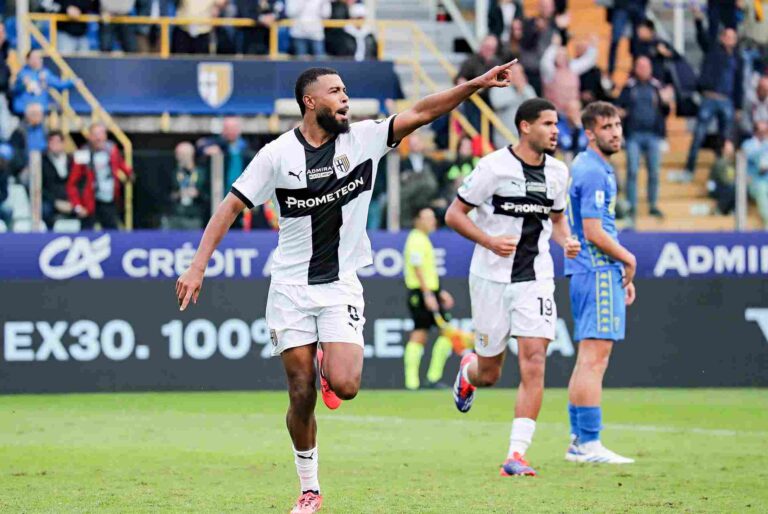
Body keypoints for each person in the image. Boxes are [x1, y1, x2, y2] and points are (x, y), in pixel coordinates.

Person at [174, 62, 518, 513]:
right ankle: (309, 488)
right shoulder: (277, 155)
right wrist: (198, 266)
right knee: (301, 392)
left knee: (347, 385)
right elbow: (229, 208)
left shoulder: (364, 139)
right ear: (309, 101)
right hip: (292, 288)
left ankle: (326, 360)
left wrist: (474, 85)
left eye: (345, 91)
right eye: (335, 91)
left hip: (340, 285)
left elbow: (421, 112)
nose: (345, 98)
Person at [445, 98, 581, 477]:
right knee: (490, 373)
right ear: (525, 126)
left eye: (557, 124)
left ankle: (516, 455)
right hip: (490, 277)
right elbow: (454, 214)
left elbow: (556, 220)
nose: (555, 131)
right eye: (548, 124)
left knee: (535, 358)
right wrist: (489, 241)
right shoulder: (493, 167)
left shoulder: (557, 172)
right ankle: (469, 369)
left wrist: (566, 241)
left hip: (535, 277)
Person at [564, 101, 637, 464]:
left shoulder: (587, 165)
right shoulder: (593, 170)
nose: (616, 133)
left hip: (586, 270)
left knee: (586, 359)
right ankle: (589, 443)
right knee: (595, 359)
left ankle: (579, 441)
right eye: (607, 127)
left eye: (618, 125)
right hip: (596, 268)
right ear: (590, 132)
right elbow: (593, 230)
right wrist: (627, 258)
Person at [674, 26, 743, 183]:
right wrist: (698, 20)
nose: (730, 39)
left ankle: (720, 175)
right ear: (722, 37)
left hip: (727, 100)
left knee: (725, 141)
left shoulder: (738, 59)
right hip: (710, 98)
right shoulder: (713, 51)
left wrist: (738, 106)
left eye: (733, 37)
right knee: (698, 135)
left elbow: (739, 84)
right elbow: (702, 38)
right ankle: (689, 170)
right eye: (727, 36)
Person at [403, 206, 456, 390]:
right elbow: (417, 267)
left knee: (445, 334)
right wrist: (427, 293)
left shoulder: (423, 239)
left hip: (429, 292)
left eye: (432, 218)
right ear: (417, 220)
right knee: (420, 333)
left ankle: (431, 378)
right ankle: (413, 382)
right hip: (421, 293)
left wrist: (438, 292)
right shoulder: (416, 239)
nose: (432, 221)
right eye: (427, 218)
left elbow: (427, 270)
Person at [616, 56, 671, 219]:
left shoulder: (657, 87)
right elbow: (619, 107)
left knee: (654, 171)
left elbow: (665, 111)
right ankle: (631, 206)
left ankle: (652, 204)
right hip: (634, 135)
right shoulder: (629, 86)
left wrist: (666, 102)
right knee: (632, 171)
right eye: (640, 66)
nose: (643, 70)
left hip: (653, 135)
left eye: (646, 66)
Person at [67, 123, 133, 229]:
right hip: (89, 203)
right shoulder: (82, 153)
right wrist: (78, 206)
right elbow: (72, 184)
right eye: (95, 134)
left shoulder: (112, 150)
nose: (98, 138)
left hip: (108, 200)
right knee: (87, 235)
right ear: (89, 136)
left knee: (112, 231)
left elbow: (121, 164)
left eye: (101, 134)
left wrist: (129, 173)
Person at [12, 50, 78, 115]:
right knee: (33, 110)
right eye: (33, 58)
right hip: (25, 106)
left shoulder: (45, 73)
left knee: (38, 110)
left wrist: (73, 81)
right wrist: (23, 84)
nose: (36, 60)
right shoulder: (22, 74)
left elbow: (59, 84)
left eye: (38, 58)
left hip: (41, 106)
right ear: (27, 60)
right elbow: (14, 90)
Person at [162, 141, 209, 230]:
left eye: (183, 154)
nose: (179, 157)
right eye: (178, 154)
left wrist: (198, 194)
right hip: (174, 217)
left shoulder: (201, 173)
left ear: (191, 155)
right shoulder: (172, 172)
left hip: (194, 217)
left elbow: (208, 196)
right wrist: (178, 194)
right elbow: (164, 195)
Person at [41, 130, 75, 228]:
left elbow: (78, 184)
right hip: (51, 200)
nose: (54, 145)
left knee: (87, 209)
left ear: (63, 143)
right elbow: (41, 188)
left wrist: (74, 202)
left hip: (70, 200)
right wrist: (55, 202)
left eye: (57, 142)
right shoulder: (43, 162)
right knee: (45, 210)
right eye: (51, 142)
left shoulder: (72, 161)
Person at [742, 120, 768, 229]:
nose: (763, 132)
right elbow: (755, 160)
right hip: (754, 181)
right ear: (755, 131)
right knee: (761, 189)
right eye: (760, 130)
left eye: (765, 130)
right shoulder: (748, 144)